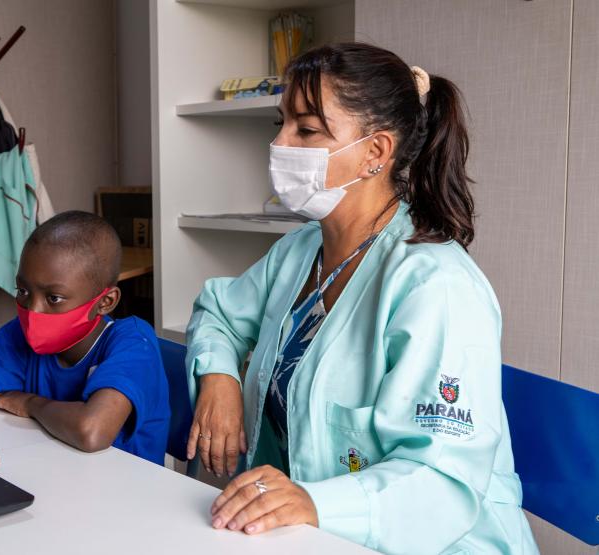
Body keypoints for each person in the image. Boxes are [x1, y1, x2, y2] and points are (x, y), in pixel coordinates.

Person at [185, 43, 537, 553]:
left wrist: (315, 504)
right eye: (280, 124)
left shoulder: (436, 288)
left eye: (306, 130)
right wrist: (219, 377)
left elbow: (442, 480)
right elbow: (219, 311)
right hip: (310, 537)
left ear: (375, 153)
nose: (280, 143)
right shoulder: (301, 248)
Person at [0, 211, 170, 466]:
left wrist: (29, 403)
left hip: (128, 495)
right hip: (58, 475)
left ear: (105, 302)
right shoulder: (18, 335)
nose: (33, 309)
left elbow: (92, 432)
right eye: (23, 291)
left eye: (54, 298)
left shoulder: (133, 342)